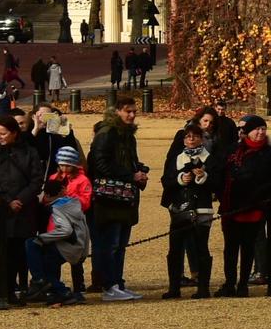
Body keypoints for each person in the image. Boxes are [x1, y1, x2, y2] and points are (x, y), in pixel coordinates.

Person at [85, 92, 149, 298]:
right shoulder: (107, 133)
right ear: (117, 111)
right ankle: (109, 285)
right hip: (109, 198)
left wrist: (139, 171)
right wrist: (131, 174)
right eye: (128, 111)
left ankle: (117, 283)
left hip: (124, 196)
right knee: (110, 244)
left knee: (120, 244)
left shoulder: (127, 135)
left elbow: (126, 161)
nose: (131, 115)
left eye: (134, 112)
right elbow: (100, 164)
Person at [0, 115, 47, 310]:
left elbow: (36, 180)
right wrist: (9, 201)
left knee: (18, 253)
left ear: (14, 133)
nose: (0, 137)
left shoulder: (30, 153)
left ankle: (14, 290)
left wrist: (21, 199)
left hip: (23, 211)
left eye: (4, 133)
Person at [160, 115, 222, 299]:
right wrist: (181, 179)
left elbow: (218, 184)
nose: (191, 139)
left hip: (202, 209)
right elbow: (166, 180)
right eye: (188, 136)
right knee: (175, 250)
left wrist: (204, 177)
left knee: (201, 248)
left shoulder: (210, 158)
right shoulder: (177, 158)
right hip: (179, 210)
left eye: (195, 136)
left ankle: (203, 288)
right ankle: (174, 288)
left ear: (201, 138)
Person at [222, 116, 271, 295]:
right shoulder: (234, 150)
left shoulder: (270, 153)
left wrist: (257, 195)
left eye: (263, 128)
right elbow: (224, 174)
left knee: (248, 248)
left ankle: (242, 284)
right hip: (233, 206)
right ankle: (230, 283)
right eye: (257, 129)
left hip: (255, 205)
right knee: (230, 248)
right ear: (248, 132)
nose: (261, 132)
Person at [34, 146, 92, 305]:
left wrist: (66, 196)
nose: (64, 168)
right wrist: (49, 198)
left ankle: (79, 289)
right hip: (54, 224)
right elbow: (47, 199)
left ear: (75, 164)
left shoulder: (83, 180)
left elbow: (85, 203)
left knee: (76, 261)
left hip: (74, 224)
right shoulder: (54, 178)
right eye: (61, 164)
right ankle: (56, 289)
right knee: (53, 259)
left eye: (68, 165)